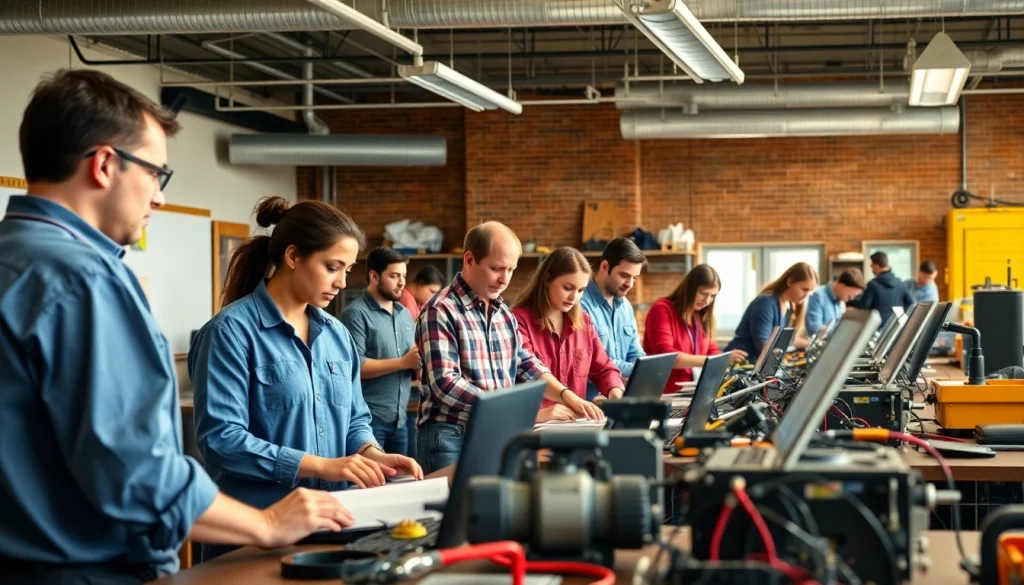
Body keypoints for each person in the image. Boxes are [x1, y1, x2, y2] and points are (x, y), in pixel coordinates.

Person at [0, 69, 351, 585]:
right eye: (156, 174)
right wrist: (266, 522)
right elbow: (135, 471)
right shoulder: (85, 280)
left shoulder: (14, 259)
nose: (159, 197)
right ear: (103, 165)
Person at [188, 197, 423, 560]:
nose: (343, 283)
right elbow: (221, 440)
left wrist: (372, 454)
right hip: (253, 536)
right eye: (333, 267)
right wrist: (321, 466)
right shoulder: (229, 333)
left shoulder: (337, 335)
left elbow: (355, 419)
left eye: (347, 270)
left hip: (332, 527)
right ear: (293, 257)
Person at [416, 222, 604, 474]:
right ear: (470, 260)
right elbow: (446, 384)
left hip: (495, 431)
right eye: (496, 268)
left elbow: (527, 364)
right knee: (453, 512)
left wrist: (567, 395)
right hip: (452, 437)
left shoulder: (502, 312)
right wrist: (509, 411)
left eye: (511, 270)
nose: (504, 279)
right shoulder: (440, 310)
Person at [512, 247, 625, 405]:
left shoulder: (584, 321)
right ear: (547, 279)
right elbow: (531, 372)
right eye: (568, 288)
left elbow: (604, 369)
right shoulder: (518, 321)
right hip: (536, 424)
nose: (574, 297)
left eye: (581, 290)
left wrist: (615, 393)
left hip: (576, 423)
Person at [341, 247, 418, 456]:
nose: (402, 282)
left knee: (400, 485)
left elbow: (411, 363)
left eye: (403, 275)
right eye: (394, 276)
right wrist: (404, 362)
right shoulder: (355, 314)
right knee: (369, 486)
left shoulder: (404, 315)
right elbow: (355, 367)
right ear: (374, 276)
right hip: (368, 425)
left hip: (401, 421)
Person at [643, 264, 747, 393]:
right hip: (663, 393)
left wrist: (722, 360)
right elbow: (667, 357)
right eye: (703, 293)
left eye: (713, 296)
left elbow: (711, 349)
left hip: (692, 391)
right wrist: (719, 360)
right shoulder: (661, 309)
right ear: (690, 289)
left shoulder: (700, 316)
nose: (707, 300)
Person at [579, 238, 647, 399]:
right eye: (624, 275)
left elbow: (635, 352)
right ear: (605, 267)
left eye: (634, 277)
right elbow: (593, 361)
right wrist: (640, 370)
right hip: (589, 404)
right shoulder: (580, 305)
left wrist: (644, 368)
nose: (630, 284)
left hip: (621, 399)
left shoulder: (626, 307)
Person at [725, 262, 819, 357]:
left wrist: (806, 343)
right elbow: (763, 346)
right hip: (740, 363)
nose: (807, 295)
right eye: (804, 289)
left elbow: (781, 341)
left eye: (810, 291)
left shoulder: (788, 306)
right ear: (790, 282)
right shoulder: (765, 303)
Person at [848, 252, 914, 328]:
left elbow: (864, 306)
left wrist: (850, 300)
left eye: (871, 266)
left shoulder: (872, 284)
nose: (871, 269)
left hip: (876, 327)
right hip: (895, 328)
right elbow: (910, 303)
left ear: (876, 266)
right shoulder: (900, 283)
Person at [805, 268, 866, 336]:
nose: (851, 298)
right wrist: (842, 331)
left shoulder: (841, 302)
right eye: (851, 295)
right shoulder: (818, 296)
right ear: (842, 286)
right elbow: (814, 329)